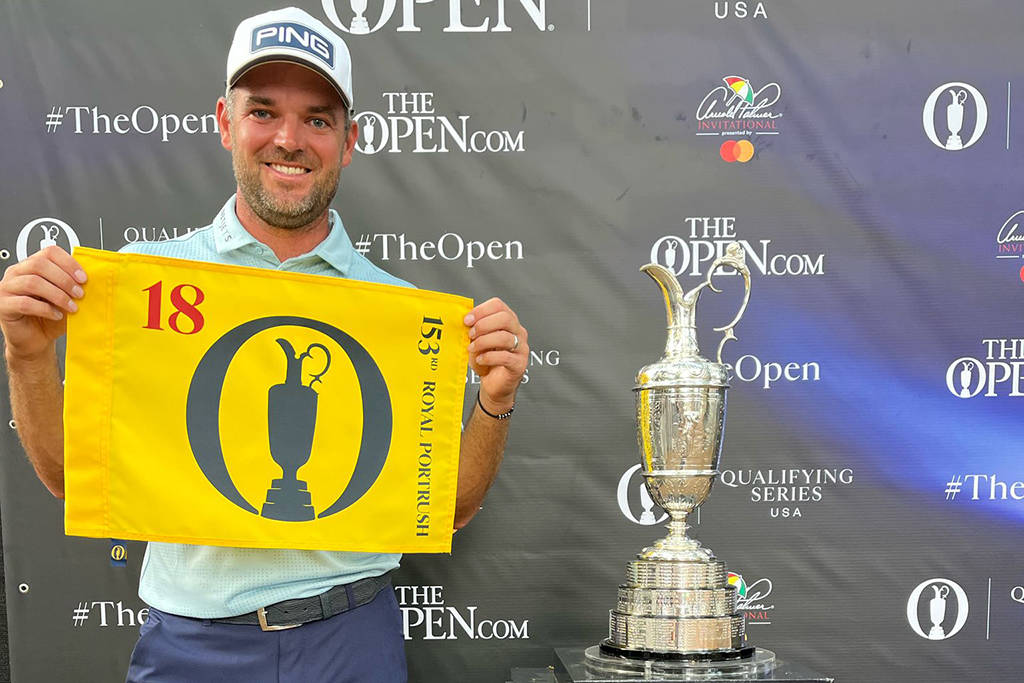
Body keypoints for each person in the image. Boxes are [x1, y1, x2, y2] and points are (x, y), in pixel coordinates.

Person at [0, 7, 528, 682]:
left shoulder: (398, 311)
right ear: (225, 122)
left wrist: (496, 397)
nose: (289, 138)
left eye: (317, 118)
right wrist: (27, 355)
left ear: (349, 139)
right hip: (190, 646)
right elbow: (71, 480)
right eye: (263, 111)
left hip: (351, 640)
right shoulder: (144, 281)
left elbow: (450, 511)